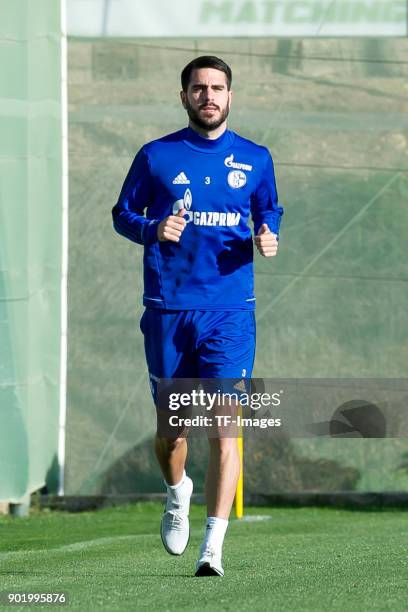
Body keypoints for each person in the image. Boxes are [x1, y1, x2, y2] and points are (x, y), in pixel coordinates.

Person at [112, 56, 283, 577]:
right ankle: (176, 490)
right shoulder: (157, 156)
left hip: (230, 312)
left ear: (231, 96)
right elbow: (123, 213)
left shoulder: (255, 158)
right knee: (174, 434)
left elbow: (269, 209)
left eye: (218, 88)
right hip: (169, 310)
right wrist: (152, 229)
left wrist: (266, 233)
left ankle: (213, 549)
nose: (209, 96)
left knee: (225, 430)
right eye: (199, 88)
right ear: (183, 96)